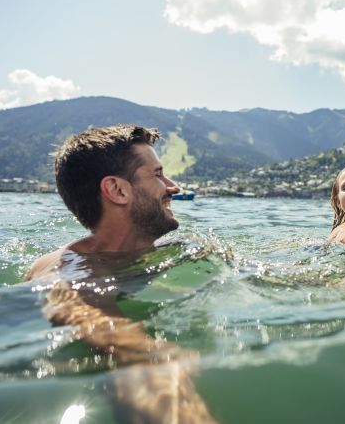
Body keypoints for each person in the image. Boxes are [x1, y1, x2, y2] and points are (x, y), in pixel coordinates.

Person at [23, 125, 218, 424]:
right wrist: (149, 354)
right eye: (157, 174)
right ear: (117, 190)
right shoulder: (69, 272)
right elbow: (122, 347)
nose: (173, 186)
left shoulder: (145, 254)